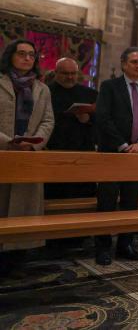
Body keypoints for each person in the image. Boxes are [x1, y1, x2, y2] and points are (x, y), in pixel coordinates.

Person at [94, 47, 138, 266]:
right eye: (134, 62)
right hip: (113, 153)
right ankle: (102, 247)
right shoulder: (109, 87)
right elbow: (103, 118)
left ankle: (126, 245)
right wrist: (123, 145)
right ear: (123, 64)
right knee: (107, 201)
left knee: (131, 201)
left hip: (137, 156)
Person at [0, 39, 54, 275]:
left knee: (23, 208)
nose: (27, 58)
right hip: (3, 151)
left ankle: (17, 259)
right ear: (10, 55)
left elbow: (48, 120)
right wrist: (7, 141)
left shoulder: (42, 88)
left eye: (31, 55)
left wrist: (33, 144)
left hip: (29, 154)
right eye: (21, 53)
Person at [45, 57, 98, 200]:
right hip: (55, 149)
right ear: (56, 73)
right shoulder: (45, 92)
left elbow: (100, 121)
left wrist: (87, 119)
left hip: (83, 149)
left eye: (73, 73)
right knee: (55, 193)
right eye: (65, 73)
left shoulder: (90, 94)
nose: (70, 77)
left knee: (83, 194)